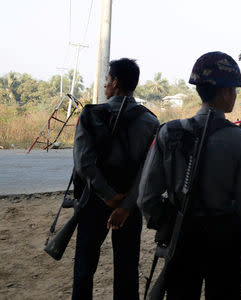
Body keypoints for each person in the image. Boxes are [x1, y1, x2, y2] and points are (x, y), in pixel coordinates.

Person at [137, 51, 241, 300]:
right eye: (234, 90)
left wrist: (168, 223)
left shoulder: (168, 133)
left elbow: (145, 198)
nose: (235, 95)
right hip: (225, 243)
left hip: (181, 239)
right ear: (225, 92)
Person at [72, 58, 159, 300]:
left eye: (107, 80)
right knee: (127, 270)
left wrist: (108, 197)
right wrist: (126, 205)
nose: (105, 85)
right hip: (130, 209)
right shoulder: (151, 121)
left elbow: (83, 164)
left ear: (116, 82)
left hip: (93, 202)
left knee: (84, 269)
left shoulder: (90, 115)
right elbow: (149, 170)